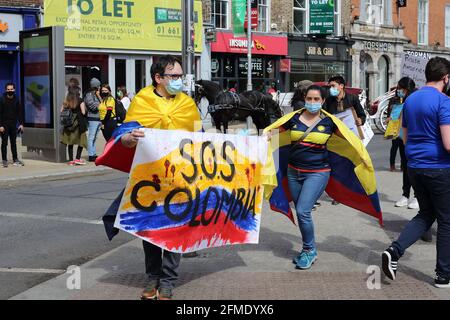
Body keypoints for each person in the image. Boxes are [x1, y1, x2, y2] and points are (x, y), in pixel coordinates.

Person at [97, 55, 201, 300]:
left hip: (180, 178)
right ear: (158, 78)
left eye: (180, 76)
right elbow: (123, 133)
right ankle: (152, 277)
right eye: (174, 76)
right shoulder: (142, 100)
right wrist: (127, 139)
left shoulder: (187, 103)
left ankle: (168, 281)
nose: (179, 81)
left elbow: (200, 138)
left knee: (175, 229)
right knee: (151, 228)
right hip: (149, 178)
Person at [381, 57, 450, 288]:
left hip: (415, 166)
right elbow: (448, 143)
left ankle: (394, 251)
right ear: (445, 78)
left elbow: (405, 136)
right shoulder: (443, 101)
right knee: (446, 220)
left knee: (425, 214)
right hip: (439, 167)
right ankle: (443, 275)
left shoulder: (410, 100)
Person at [277, 85, 338, 269]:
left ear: (323, 101)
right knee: (302, 213)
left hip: (318, 173)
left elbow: (348, 143)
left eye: (316, 99)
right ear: (304, 99)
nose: (312, 103)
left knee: (303, 211)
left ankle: (310, 250)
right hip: (293, 172)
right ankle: (307, 249)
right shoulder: (293, 118)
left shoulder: (330, 122)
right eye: (309, 99)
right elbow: (274, 135)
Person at [324, 76, 366, 205]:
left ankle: (354, 191)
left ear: (341, 86)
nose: (331, 89)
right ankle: (338, 195)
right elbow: (324, 116)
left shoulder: (352, 99)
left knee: (351, 165)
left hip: (351, 137)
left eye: (333, 86)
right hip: (335, 139)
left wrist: (360, 120)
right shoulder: (329, 101)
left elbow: (361, 114)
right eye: (330, 86)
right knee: (336, 166)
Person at [388, 77, 419, 210]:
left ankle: (418, 196)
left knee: (415, 169)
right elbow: (395, 119)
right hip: (401, 137)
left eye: (401, 88)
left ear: (407, 89)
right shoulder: (399, 101)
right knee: (406, 167)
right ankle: (405, 195)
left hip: (415, 139)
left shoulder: (415, 101)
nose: (399, 91)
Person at [0, 83, 24, 167]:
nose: (10, 91)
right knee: (4, 143)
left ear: (14, 90)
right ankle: (4, 160)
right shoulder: (2, 99)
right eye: (8, 89)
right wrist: (1, 125)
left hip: (13, 124)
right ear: (6, 90)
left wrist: (21, 124)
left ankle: (15, 159)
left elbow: (19, 113)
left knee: (14, 142)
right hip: (4, 124)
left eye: (11, 89)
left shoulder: (16, 99)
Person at [60, 92, 88, 165]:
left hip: (68, 125)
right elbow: (83, 112)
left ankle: (71, 160)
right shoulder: (80, 100)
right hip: (78, 124)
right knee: (81, 141)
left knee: (70, 142)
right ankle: (77, 159)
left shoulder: (67, 101)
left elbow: (61, 111)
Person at [84, 78, 102, 162]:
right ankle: (91, 155)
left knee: (94, 137)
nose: (100, 87)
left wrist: (99, 97)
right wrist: (100, 104)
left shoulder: (97, 95)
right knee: (91, 137)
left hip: (99, 118)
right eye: (99, 85)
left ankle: (93, 153)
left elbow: (103, 104)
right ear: (96, 86)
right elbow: (93, 106)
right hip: (92, 119)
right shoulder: (89, 95)